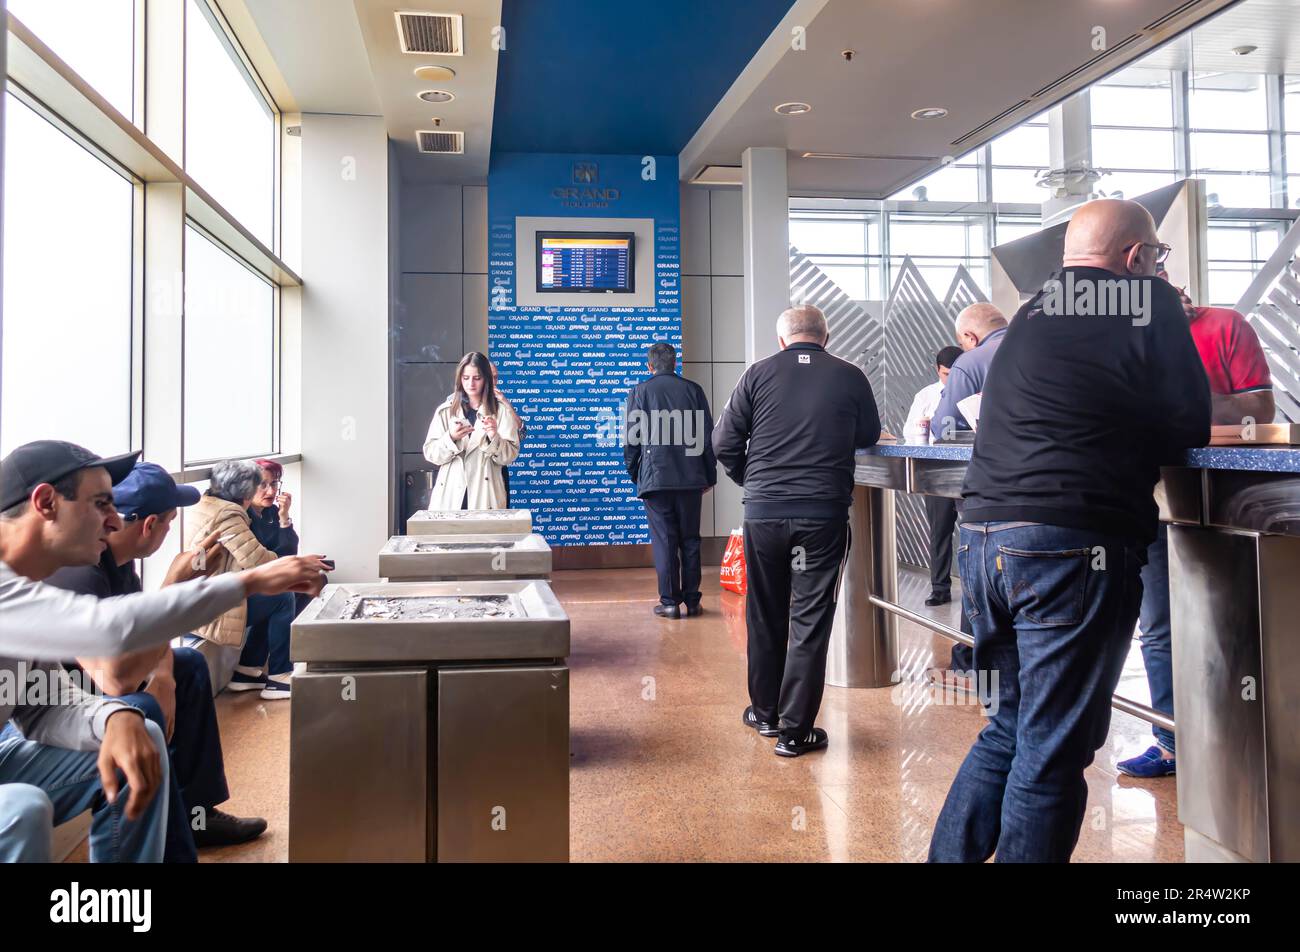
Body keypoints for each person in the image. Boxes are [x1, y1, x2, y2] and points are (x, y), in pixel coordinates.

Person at [927, 199, 1211, 863]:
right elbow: (1188, 426)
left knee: (1008, 728)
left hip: (984, 540)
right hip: (1070, 544)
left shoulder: (1033, 312)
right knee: (1052, 749)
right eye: (1158, 257)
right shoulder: (1152, 303)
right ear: (1137, 257)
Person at [0, 440, 326, 862]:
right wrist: (247, 582)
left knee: (142, 733)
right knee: (22, 809)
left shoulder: (33, 586)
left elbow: (41, 707)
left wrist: (113, 715)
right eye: (101, 504)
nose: (114, 521)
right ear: (45, 502)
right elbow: (108, 629)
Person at [46, 462, 268, 855]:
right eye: (168, 522)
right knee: (140, 707)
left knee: (188, 665)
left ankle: (197, 814)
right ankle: (167, 844)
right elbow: (115, 680)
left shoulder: (119, 563)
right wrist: (174, 588)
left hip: (88, 687)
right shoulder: (81, 572)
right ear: (149, 525)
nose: (170, 531)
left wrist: (164, 677)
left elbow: (144, 631)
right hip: (65, 702)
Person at [1116, 274, 1275, 779]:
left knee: (1232, 618)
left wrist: (1178, 392)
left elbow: (1260, 409)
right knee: (1158, 624)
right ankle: (1170, 739)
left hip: (1225, 494)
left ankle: (1247, 738)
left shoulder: (1224, 325)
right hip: (1151, 492)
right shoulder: (1122, 339)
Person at [714, 304, 882, 757]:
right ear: (825, 337)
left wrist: (756, 481)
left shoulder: (756, 375)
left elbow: (723, 443)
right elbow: (869, 434)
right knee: (810, 620)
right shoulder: (850, 375)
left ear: (782, 340)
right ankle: (795, 731)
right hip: (822, 515)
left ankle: (764, 713)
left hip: (764, 514)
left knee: (764, 612)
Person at [927, 304, 1008, 685]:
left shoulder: (973, 361)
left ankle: (970, 667)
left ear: (970, 338)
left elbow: (944, 429)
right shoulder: (1046, 351)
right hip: (1062, 497)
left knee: (979, 573)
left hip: (989, 492)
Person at [185, 460, 297, 700]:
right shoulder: (229, 515)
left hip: (209, 595)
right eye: (260, 484)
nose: (268, 491)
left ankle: (247, 670)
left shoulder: (210, 506)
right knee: (283, 596)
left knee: (275, 592)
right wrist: (291, 564)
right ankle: (279, 676)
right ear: (245, 490)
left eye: (273, 484)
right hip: (212, 606)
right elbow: (259, 561)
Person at [624, 342, 717, 619]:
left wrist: (635, 473)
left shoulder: (640, 391)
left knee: (665, 542)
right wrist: (709, 475)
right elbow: (707, 437)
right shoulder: (693, 390)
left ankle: (669, 603)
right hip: (691, 480)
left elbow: (632, 440)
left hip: (656, 481)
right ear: (675, 363)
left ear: (649, 366)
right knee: (690, 541)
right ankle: (693, 601)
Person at [423, 351, 522, 510]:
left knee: (486, 534)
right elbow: (430, 453)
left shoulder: (501, 411)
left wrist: (494, 437)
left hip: (485, 494)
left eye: (477, 378)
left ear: (486, 380)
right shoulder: (446, 411)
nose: (471, 384)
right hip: (450, 494)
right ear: (459, 379)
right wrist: (450, 438)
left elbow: (509, 456)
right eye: (466, 378)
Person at [904, 346, 963, 608]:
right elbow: (909, 432)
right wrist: (923, 424)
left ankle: (976, 587)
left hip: (970, 473)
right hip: (938, 473)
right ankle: (940, 588)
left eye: (955, 373)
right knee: (939, 531)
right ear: (937, 370)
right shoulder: (926, 395)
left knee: (974, 531)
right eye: (945, 374)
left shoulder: (976, 392)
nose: (950, 379)